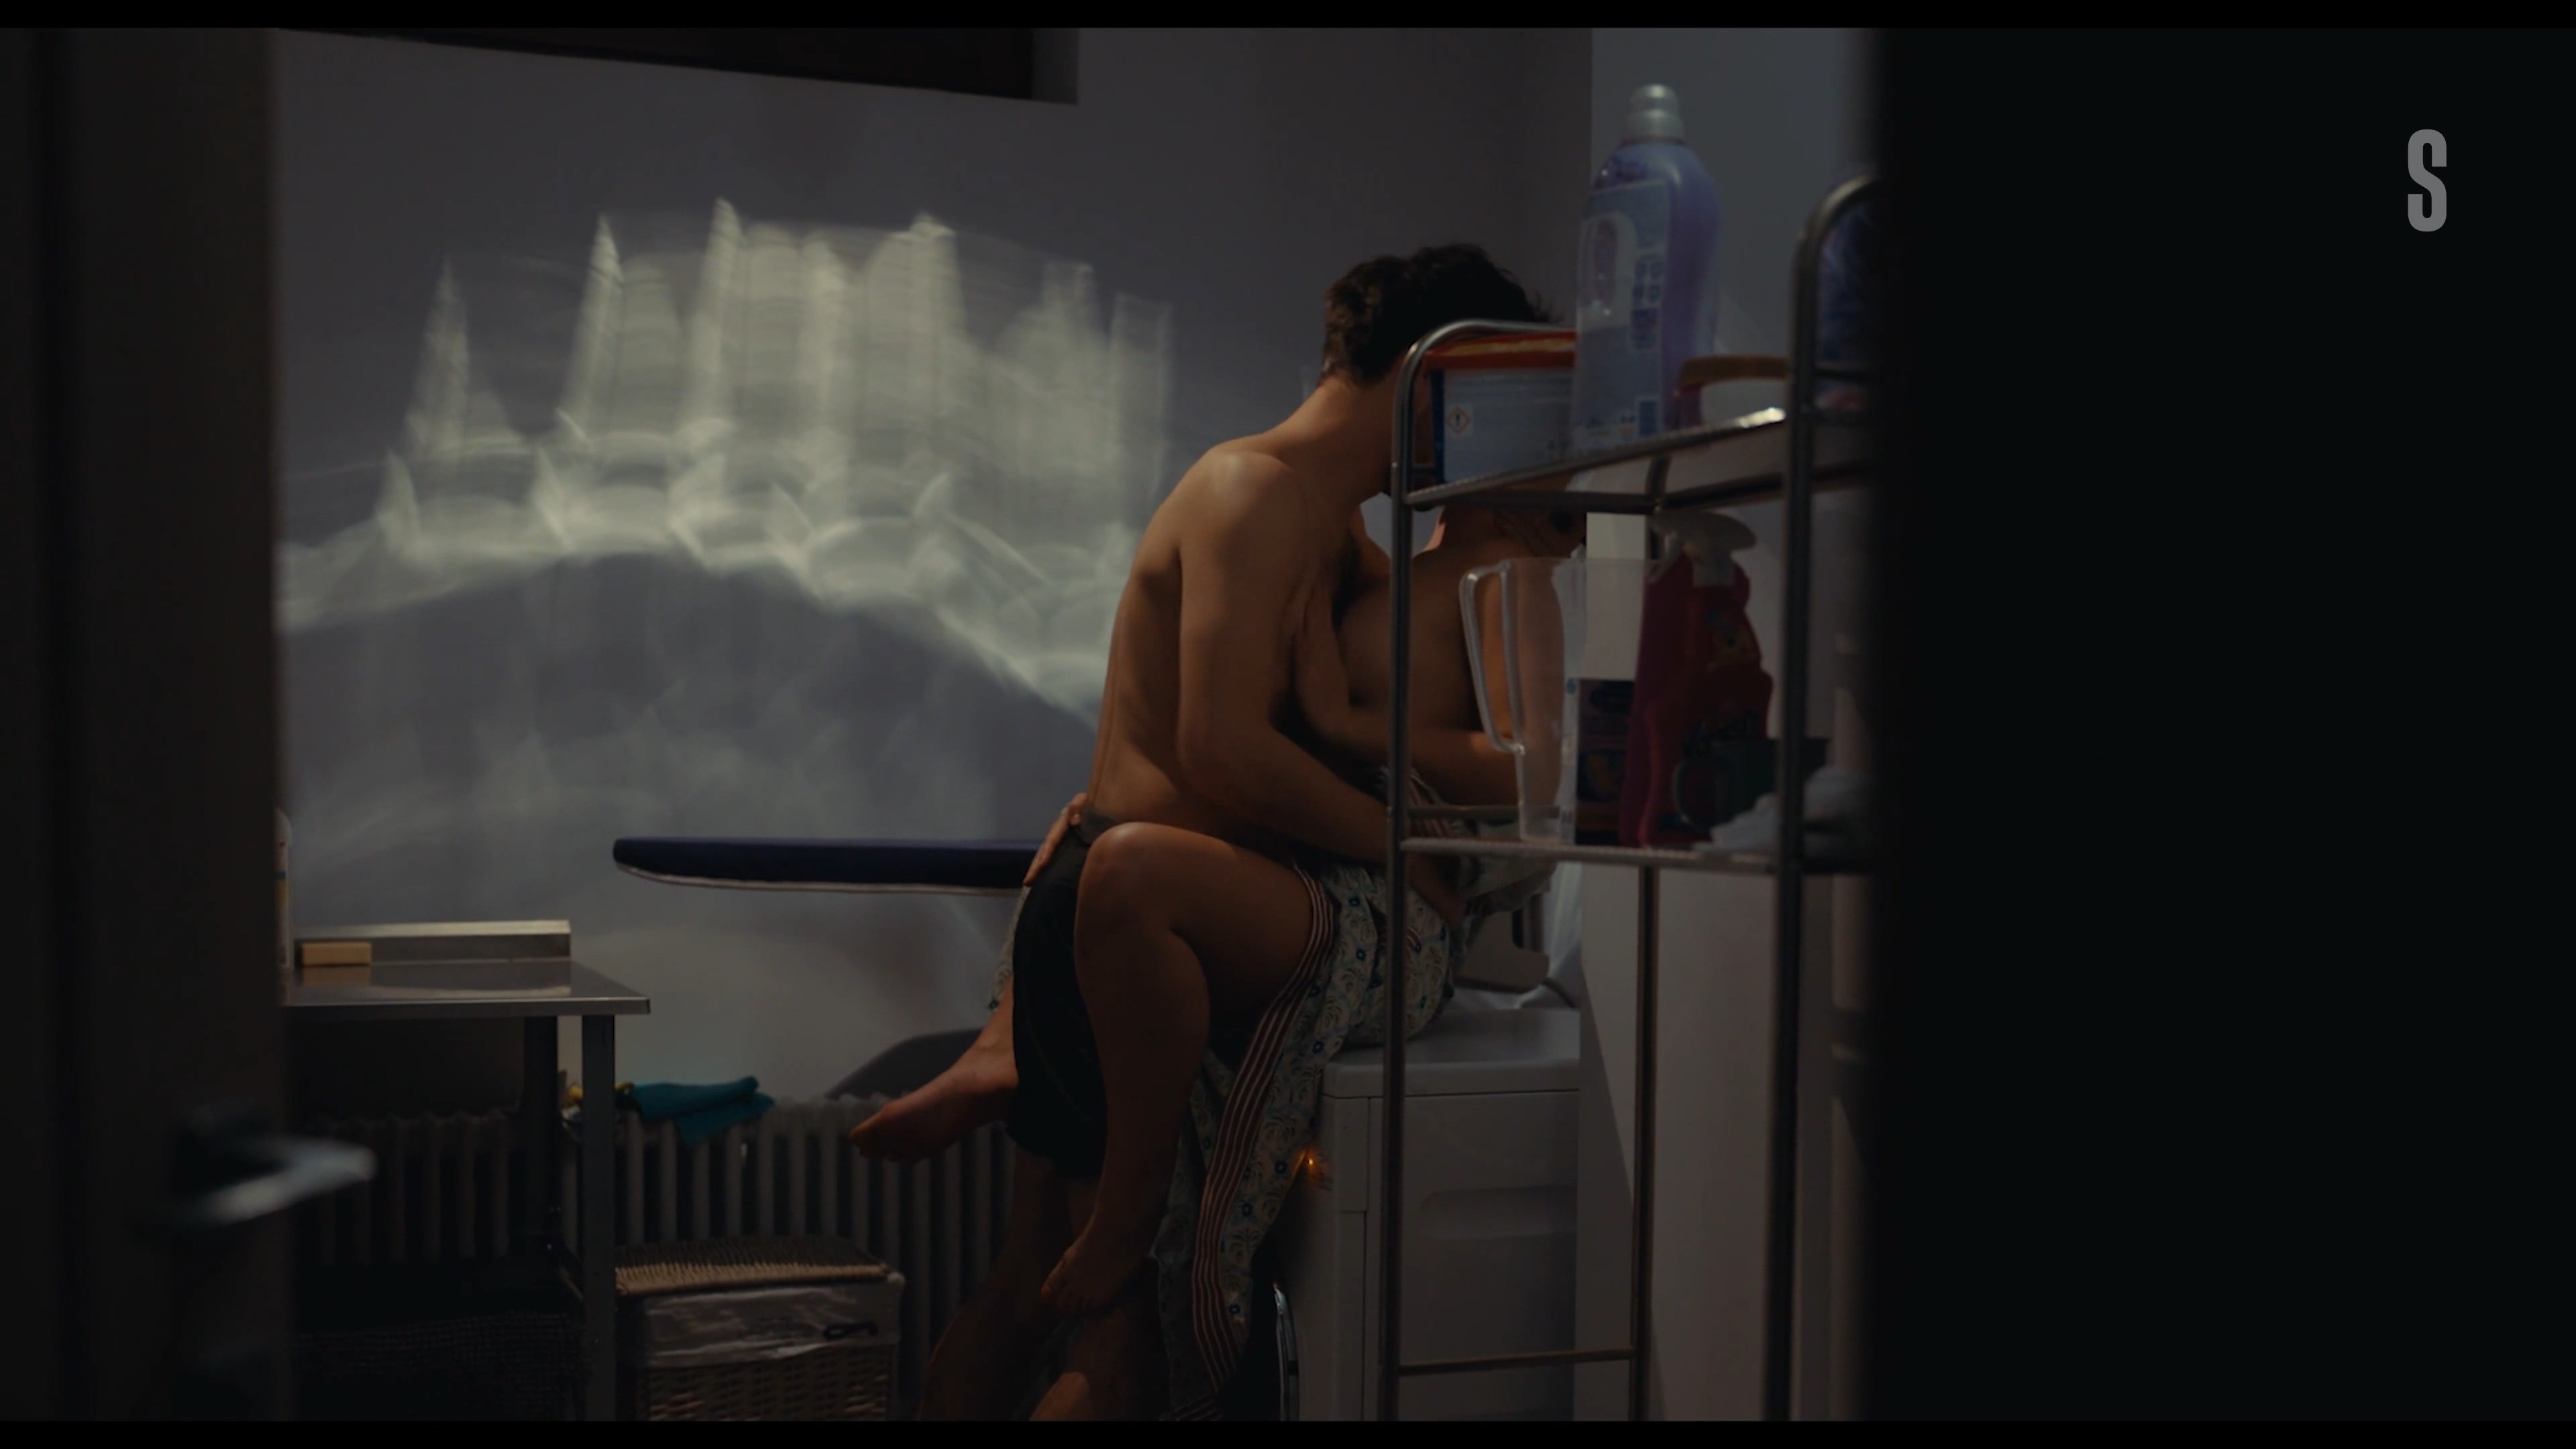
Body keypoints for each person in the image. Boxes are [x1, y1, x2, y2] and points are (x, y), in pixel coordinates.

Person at [853, 244, 1557, 1419]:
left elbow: (1338, 717)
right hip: (1135, 916)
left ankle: (1005, 1050)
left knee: (1026, 1282)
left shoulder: (1333, 529)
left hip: (1114, 903)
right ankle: (1046, 1102)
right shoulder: (1256, 494)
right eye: (1490, 396)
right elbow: (1224, 752)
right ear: (1431, 375)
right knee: (1118, 1332)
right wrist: (1399, 852)